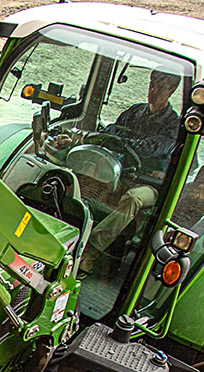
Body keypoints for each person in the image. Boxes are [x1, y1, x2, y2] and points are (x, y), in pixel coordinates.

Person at [73, 70, 183, 269]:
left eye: (160, 87)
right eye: (152, 84)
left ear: (172, 90)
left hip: (150, 183)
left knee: (133, 199)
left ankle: (90, 252)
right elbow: (110, 132)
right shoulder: (134, 112)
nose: (153, 90)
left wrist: (120, 142)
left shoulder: (173, 125)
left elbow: (152, 147)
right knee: (79, 179)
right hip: (120, 172)